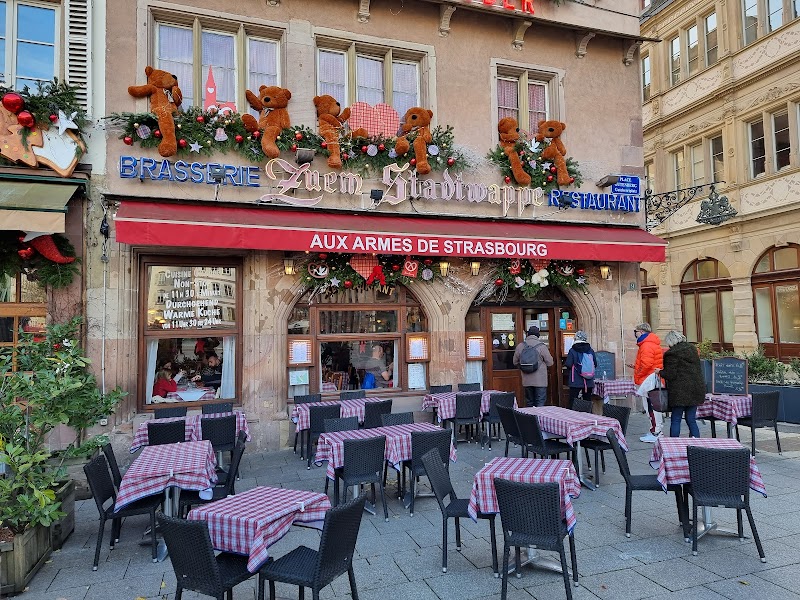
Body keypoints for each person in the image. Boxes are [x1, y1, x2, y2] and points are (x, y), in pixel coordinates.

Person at [659, 330, 705, 438]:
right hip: (695, 389)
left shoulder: (671, 354)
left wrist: (660, 372)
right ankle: (696, 444)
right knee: (691, 419)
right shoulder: (692, 349)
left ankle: (674, 443)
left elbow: (670, 374)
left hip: (680, 392)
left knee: (676, 419)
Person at [626, 323, 664, 443]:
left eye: (635, 331)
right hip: (652, 379)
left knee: (651, 407)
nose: (635, 334)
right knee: (653, 407)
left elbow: (646, 365)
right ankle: (655, 430)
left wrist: (639, 373)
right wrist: (637, 368)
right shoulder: (651, 343)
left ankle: (656, 432)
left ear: (641, 332)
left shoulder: (646, 345)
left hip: (649, 381)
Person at [513, 325, 553, 407]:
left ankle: (530, 419)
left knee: (529, 402)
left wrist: (523, 367)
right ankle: (539, 419)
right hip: (540, 381)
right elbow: (550, 362)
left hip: (526, 380)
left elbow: (515, 362)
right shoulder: (542, 346)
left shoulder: (520, 346)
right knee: (540, 402)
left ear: (528, 334)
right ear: (538, 335)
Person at [564, 330, 597, 410]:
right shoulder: (590, 350)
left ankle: (573, 417)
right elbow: (595, 364)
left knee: (573, 400)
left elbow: (568, 364)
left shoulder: (572, 350)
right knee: (587, 400)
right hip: (588, 380)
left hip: (575, 380)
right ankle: (588, 417)